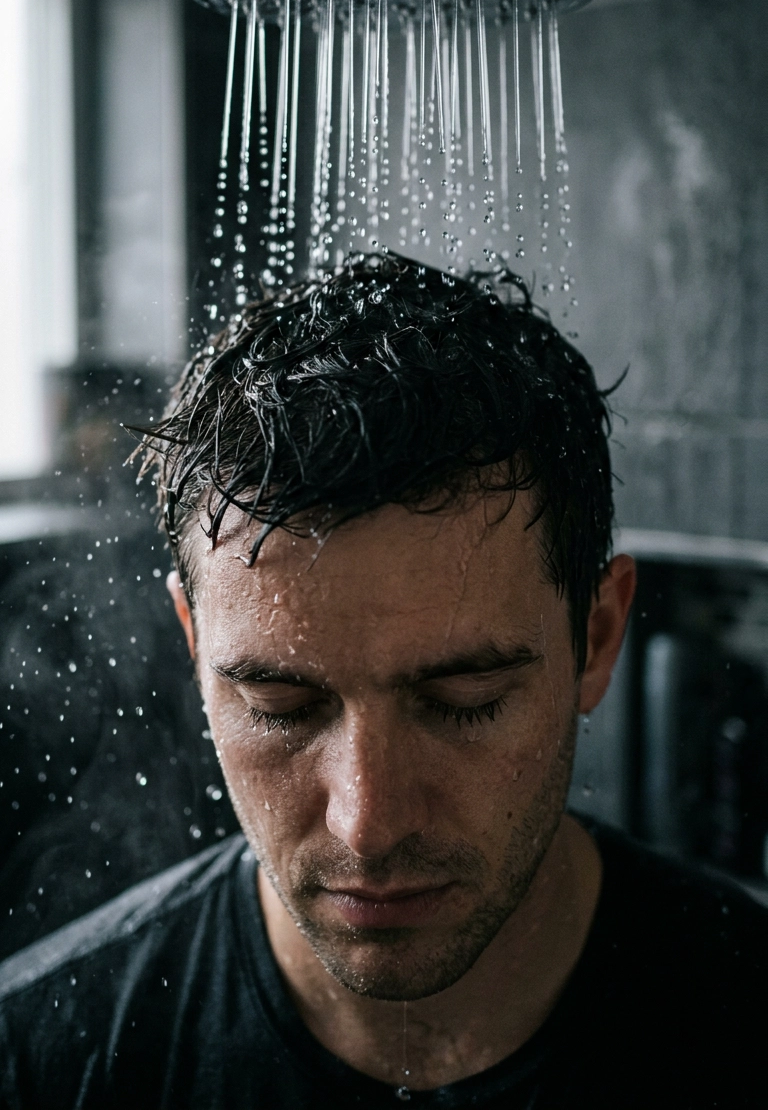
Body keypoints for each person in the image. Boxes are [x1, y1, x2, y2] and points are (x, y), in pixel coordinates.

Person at [0, 253, 764, 1110]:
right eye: (280, 709)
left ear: (597, 636)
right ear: (193, 644)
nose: (367, 824)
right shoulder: (44, 1064)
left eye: (463, 704)